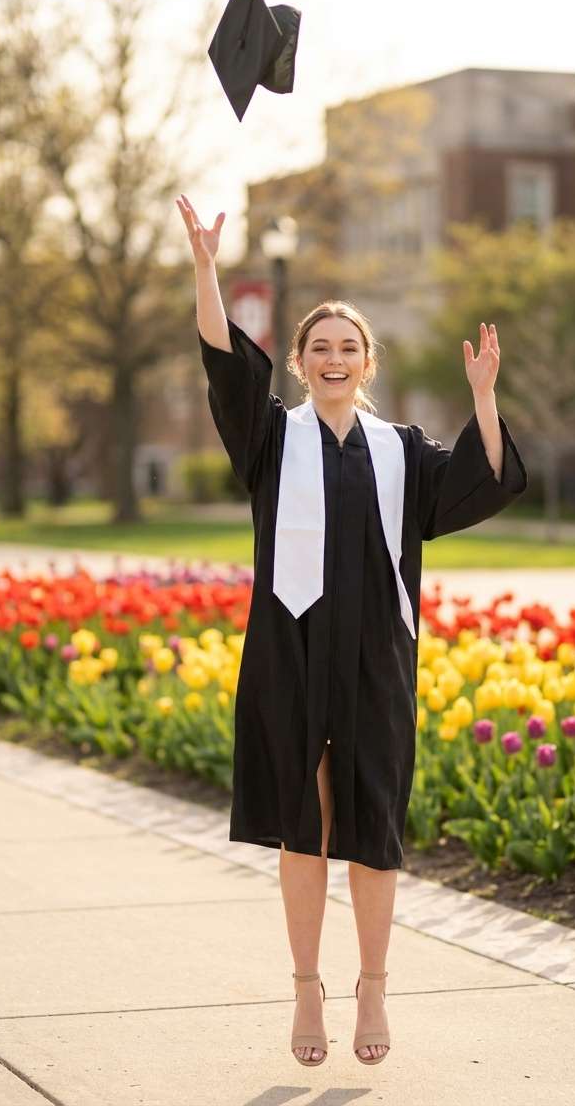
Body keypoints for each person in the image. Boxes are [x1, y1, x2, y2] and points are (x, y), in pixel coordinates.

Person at [175, 194, 528, 1067]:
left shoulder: (403, 448)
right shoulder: (270, 439)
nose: (334, 360)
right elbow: (224, 362)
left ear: (366, 363)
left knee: (372, 823)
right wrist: (207, 269)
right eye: (320, 348)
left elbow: (481, 483)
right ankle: (307, 993)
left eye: (349, 348)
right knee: (305, 823)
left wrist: (483, 397)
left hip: (375, 657)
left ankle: (373, 987)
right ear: (298, 363)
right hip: (291, 652)